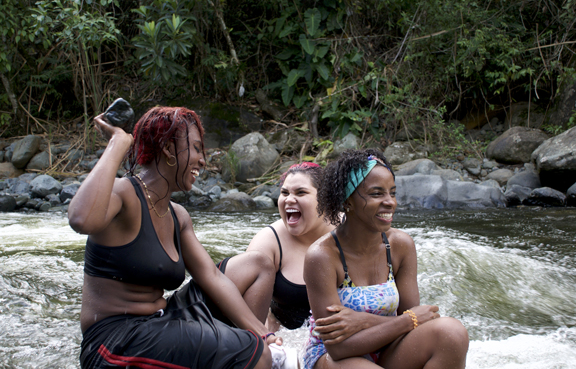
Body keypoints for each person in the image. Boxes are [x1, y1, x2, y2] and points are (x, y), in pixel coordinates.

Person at [69, 106, 281, 369]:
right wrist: (118, 143)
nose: (203, 160)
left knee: (257, 265)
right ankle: (246, 356)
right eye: (195, 148)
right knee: (257, 356)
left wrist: (261, 332)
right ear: (168, 148)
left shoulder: (178, 216)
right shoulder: (123, 195)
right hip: (115, 342)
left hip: (163, 319)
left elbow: (212, 277)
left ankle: (243, 349)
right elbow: (81, 219)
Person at [302, 149, 469, 369]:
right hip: (335, 358)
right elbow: (338, 347)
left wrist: (365, 320)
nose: (390, 202)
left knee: (451, 333)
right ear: (347, 201)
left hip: (388, 346)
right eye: (376, 193)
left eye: (392, 192)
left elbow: (416, 322)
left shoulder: (400, 245)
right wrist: (407, 320)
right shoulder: (322, 256)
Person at [219, 162, 335, 331]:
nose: (289, 199)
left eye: (301, 192)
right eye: (284, 193)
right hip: (285, 339)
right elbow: (240, 305)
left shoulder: (350, 231)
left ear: (325, 198)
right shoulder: (268, 241)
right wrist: (266, 338)